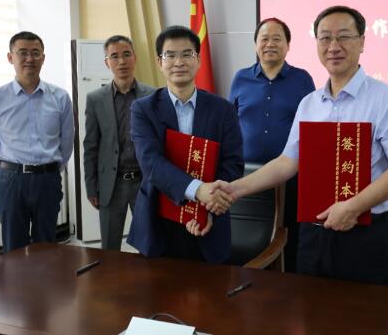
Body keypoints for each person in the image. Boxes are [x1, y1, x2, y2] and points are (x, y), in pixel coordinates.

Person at [218, 6, 388, 285]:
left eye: (343, 36)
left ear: (362, 41)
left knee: (368, 310)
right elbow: (288, 162)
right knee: (310, 306)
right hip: (313, 231)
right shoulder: (309, 104)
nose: (333, 46)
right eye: (325, 38)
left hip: (366, 231)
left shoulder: (385, 99)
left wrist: (352, 207)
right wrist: (235, 188)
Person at [127, 25, 243, 263]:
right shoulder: (143, 109)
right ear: (160, 62)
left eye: (187, 54)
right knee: (157, 287)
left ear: (198, 60)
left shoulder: (223, 109)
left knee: (211, 286)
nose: (179, 62)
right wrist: (199, 192)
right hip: (158, 222)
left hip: (209, 221)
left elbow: (232, 164)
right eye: (170, 55)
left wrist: (208, 208)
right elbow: (151, 164)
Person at [229, 17, 315, 272]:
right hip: (247, 174)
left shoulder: (302, 79)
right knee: (250, 234)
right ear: (255, 44)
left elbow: (311, 127)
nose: (270, 44)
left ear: (288, 45)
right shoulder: (241, 78)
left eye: (277, 39)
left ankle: (290, 280)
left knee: (289, 231)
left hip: (290, 176)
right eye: (264, 39)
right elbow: (230, 123)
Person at [0, 31, 74, 253]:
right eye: (22, 53)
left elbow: (67, 142)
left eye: (35, 53)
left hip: (47, 180)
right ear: (10, 57)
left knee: (47, 246)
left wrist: (51, 171)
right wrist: (4, 173)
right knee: (13, 249)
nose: (29, 58)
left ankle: (45, 279)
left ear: (43, 58)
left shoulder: (60, 97)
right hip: (11, 181)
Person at [83, 35, 154, 250]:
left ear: (135, 58)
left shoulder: (152, 95)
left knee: (149, 243)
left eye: (126, 55)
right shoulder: (95, 99)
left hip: (144, 181)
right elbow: (90, 146)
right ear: (107, 62)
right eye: (114, 56)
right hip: (111, 184)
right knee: (110, 247)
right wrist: (91, 187)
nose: (121, 61)